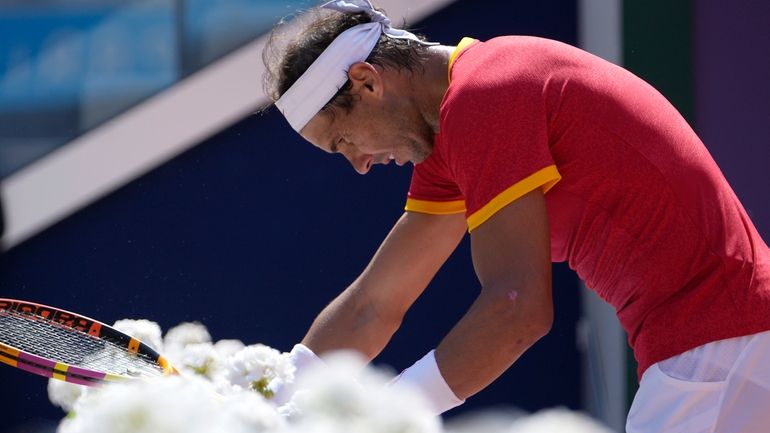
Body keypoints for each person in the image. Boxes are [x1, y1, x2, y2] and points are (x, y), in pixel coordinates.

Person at [262, 1, 770, 431]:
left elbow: (516, 311)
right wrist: (270, 391)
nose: (360, 164)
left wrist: (381, 416)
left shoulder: (487, 96)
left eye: (344, 141)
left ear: (366, 82)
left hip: (723, 347)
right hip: (726, 346)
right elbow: (373, 304)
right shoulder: (458, 123)